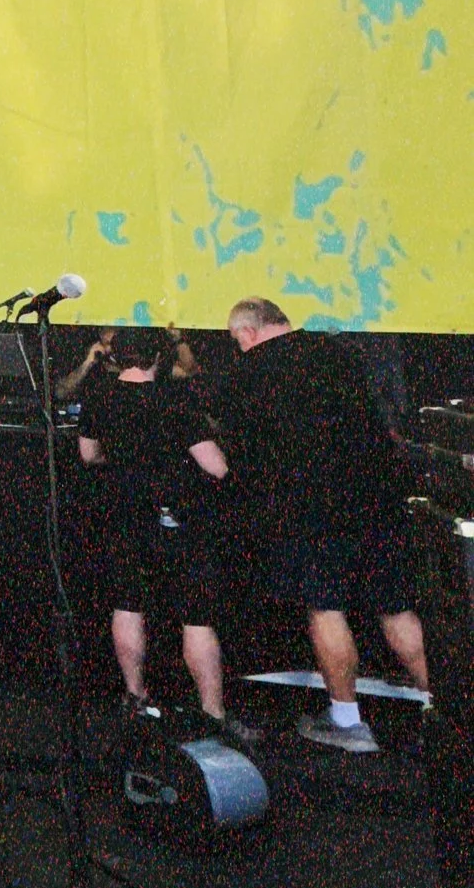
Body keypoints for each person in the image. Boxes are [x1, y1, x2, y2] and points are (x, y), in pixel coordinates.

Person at [208, 297, 430, 754]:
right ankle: (448, 710)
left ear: (248, 333)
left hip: (309, 509)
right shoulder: (340, 353)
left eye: (236, 340)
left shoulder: (250, 372)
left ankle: (348, 723)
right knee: (396, 606)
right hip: (375, 498)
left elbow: (240, 452)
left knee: (326, 608)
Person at [76, 331, 244, 740]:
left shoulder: (101, 396)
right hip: (175, 516)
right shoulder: (175, 399)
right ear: (157, 355)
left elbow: (88, 454)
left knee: (128, 604)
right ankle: (212, 712)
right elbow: (215, 466)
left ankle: (136, 697)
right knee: (195, 616)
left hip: (122, 513)